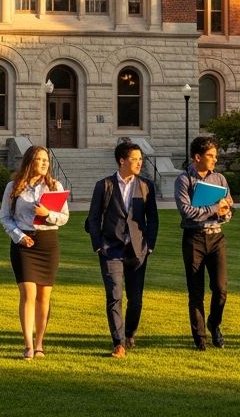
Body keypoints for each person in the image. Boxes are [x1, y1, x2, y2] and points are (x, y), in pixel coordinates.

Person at [87, 140, 159, 357]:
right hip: (111, 249)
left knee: (135, 298)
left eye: (140, 159)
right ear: (122, 160)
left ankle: (129, 333)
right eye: (135, 159)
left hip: (138, 250)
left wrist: (150, 245)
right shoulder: (104, 185)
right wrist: (98, 245)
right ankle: (118, 342)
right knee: (114, 295)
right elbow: (93, 217)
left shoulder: (146, 185)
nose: (139, 163)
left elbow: (153, 218)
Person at [0, 144, 69, 359]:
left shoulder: (54, 185)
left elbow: (64, 217)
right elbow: (5, 217)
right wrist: (19, 236)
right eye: (39, 159)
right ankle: (28, 344)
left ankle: (40, 344)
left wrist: (48, 214)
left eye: (46, 159)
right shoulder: (14, 186)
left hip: (48, 242)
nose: (44, 163)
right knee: (28, 293)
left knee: (44, 297)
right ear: (30, 162)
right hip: (24, 243)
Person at [174, 135, 233, 350]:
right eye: (211, 156)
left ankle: (214, 324)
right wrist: (215, 209)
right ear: (197, 157)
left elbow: (228, 208)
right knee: (195, 291)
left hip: (216, 237)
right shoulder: (184, 180)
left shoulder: (219, 179)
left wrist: (224, 213)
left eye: (215, 155)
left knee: (220, 288)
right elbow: (187, 212)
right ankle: (199, 337)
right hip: (194, 239)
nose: (215, 160)